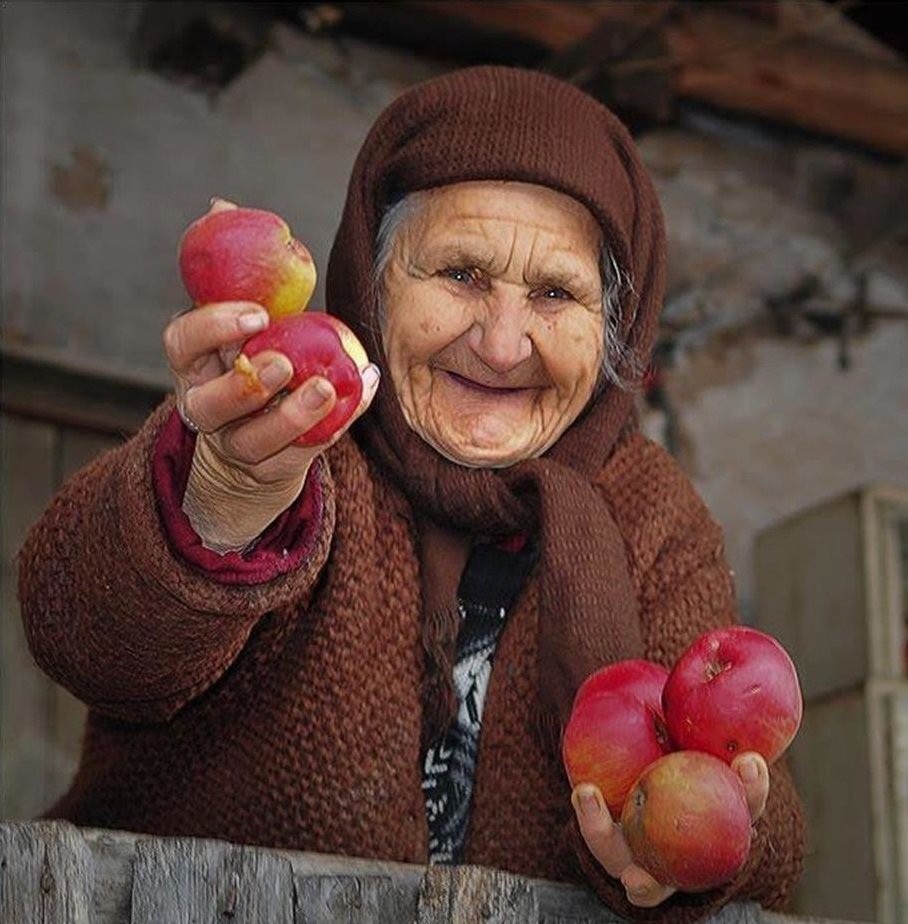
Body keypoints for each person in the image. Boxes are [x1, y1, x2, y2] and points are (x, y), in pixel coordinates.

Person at [19, 66, 804, 917]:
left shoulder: (651, 512)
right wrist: (222, 499)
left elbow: (773, 829)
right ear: (375, 280)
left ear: (614, 324)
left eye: (555, 293)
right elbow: (81, 633)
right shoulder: (287, 427)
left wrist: (703, 847)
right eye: (461, 274)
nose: (504, 345)